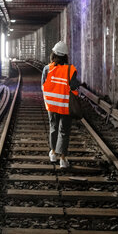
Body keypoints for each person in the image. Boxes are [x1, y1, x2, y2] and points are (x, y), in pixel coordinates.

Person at [41, 41, 80, 169]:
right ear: (66, 56)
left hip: (51, 106)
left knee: (53, 127)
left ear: (53, 55)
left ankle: (52, 153)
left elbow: (43, 86)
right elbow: (74, 87)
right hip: (64, 106)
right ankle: (63, 160)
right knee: (64, 131)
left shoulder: (47, 69)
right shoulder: (70, 69)